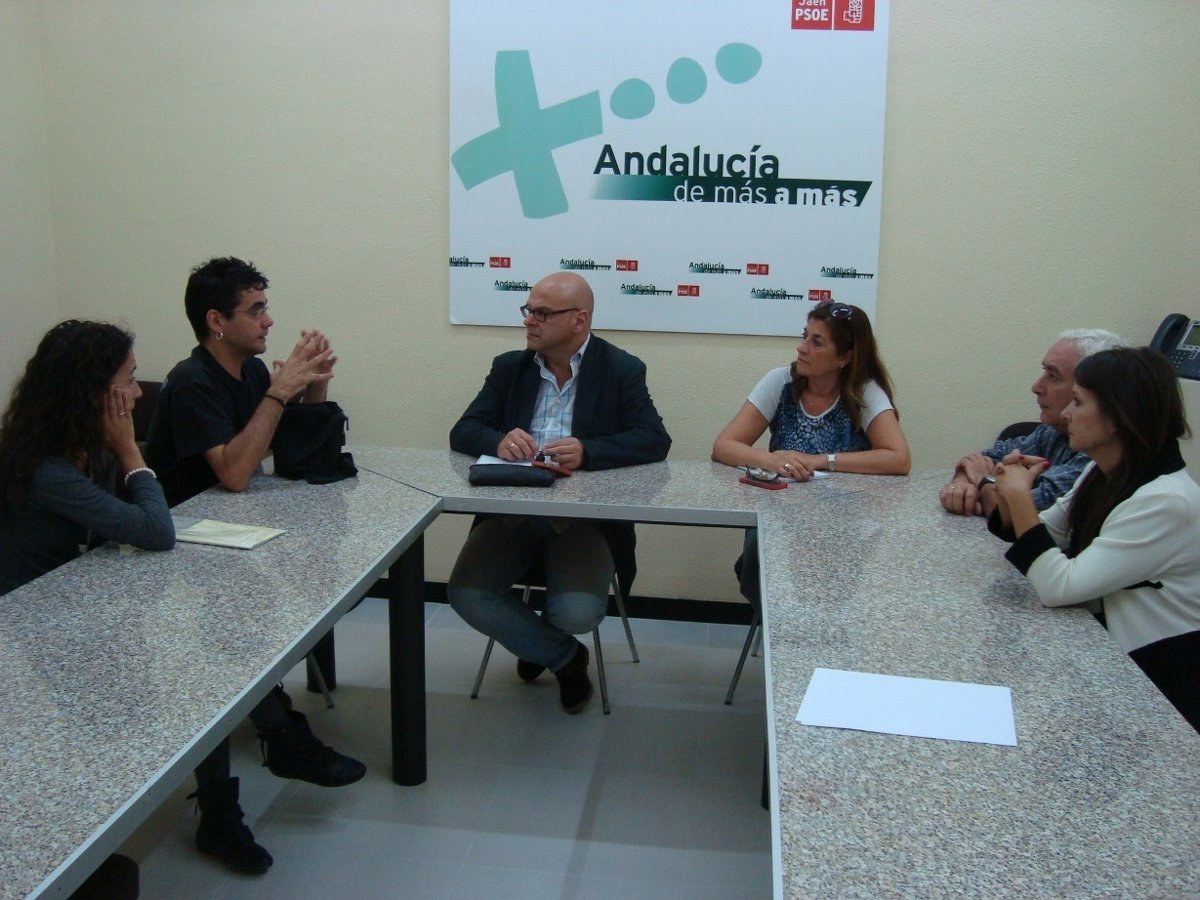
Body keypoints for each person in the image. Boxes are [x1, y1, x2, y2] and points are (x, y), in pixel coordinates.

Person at [145, 257, 364, 874]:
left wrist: (312, 385)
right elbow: (237, 474)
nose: (269, 321)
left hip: (231, 538)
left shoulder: (253, 371)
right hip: (178, 552)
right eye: (256, 310)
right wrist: (278, 391)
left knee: (256, 635)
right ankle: (237, 791)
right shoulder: (192, 381)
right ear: (216, 321)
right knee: (223, 661)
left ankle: (282, 735)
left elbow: (294, 457)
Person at [0, 320, 173, 900]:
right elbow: (155, 530)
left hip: (68, 615)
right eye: (129, 380)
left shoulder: (82, 451)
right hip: (27, 641)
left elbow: (127, 525)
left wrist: (118, 455)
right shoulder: (47, 469)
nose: (139, 393)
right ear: (96, 392)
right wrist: (129, 449)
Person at [447, 271, 671, 714]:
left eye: (542, 313)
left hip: (582, 519)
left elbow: (654, 440)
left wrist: (588, 451)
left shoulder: (621, 369)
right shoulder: (509, 368)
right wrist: (498, 441)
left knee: (577, 613)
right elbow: (464, 430)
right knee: (466, 593)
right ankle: (563, 656)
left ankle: (536, 642)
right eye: (528, 310)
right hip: (511, 514)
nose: (529, 320)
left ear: (578, 320)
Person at [992, 347, 1200, 733]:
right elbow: (1048, 533)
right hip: (1104, 663)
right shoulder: (1104, 470)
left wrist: (1020, 497)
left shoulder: (1168, 503)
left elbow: (1059, 586)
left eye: (1078, 402)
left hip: (1161, 687)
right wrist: (1008, 493)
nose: (1067, 414)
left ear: (1118, 417)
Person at [712, 301, 910, 610]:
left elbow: (898, 458)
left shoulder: (863, 392)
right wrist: (772, 459)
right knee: (758, 564)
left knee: (839, 570)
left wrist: (821, 461)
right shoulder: (781, 382)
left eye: (816, 342)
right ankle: (780, 624)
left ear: (844, 358)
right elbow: (723, 446)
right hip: (781, 516)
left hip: (846, 518)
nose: (801, 348)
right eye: (805, 336)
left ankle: (821, 624)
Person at [939, 329, 1125, 518]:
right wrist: (962, 483)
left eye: (1053, 375)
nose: (1036, 387)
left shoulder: (1101, 451)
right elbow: (985, 459)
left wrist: (982, 480)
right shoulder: (1054, 431)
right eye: (1044, 371)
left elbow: (1021, 514)